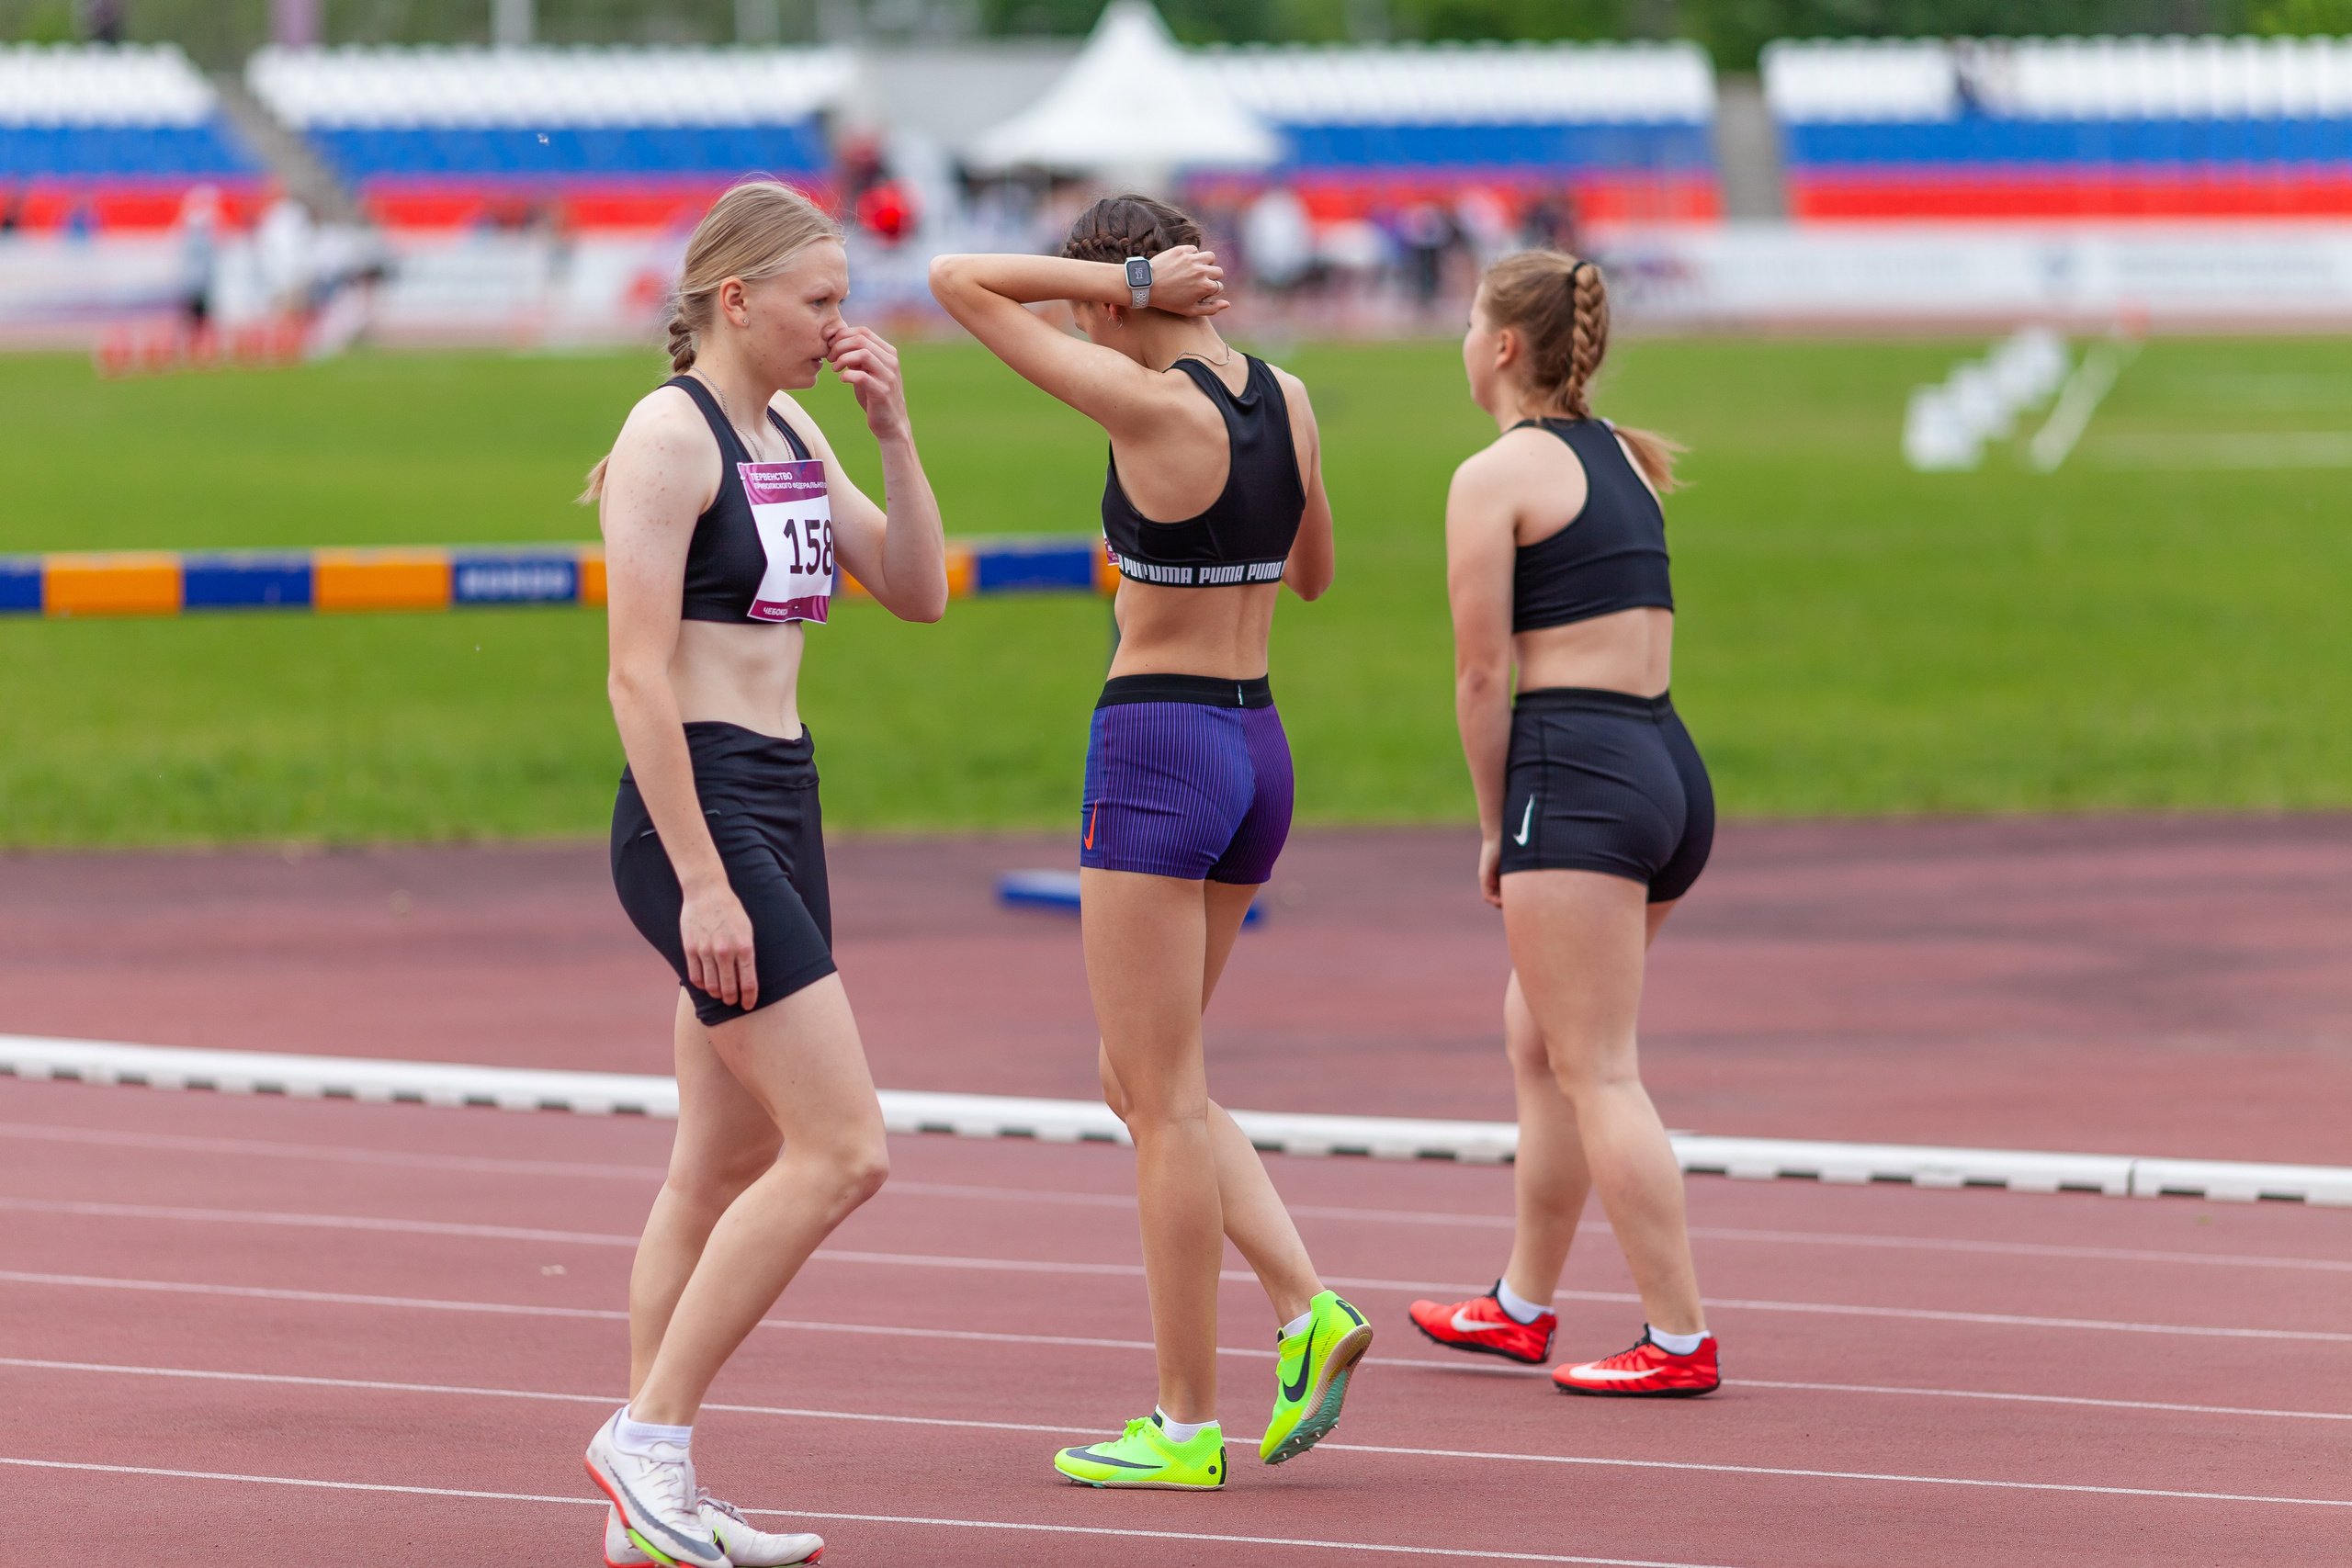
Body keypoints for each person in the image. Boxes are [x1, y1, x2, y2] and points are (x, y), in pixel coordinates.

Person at [930, 196, 1363, 1491]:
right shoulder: (1287, 395)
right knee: (1142, 1076)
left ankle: (1183, 1422)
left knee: (1157, 1099)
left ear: (1118, 294)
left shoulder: (1148, 407)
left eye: (1084, 309)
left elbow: (957, 280)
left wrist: (1112, 278)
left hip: (1158, 747)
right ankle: (1306, 1305)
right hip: (1257, 746)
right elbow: (1317, 572)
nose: (1077, 330)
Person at [579, 179, 948, 1566]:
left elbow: (918, 588)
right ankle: (647, 1440)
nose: (840, 324)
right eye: (820, 301)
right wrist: (702, 881)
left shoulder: (790, 422)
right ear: (737, 299)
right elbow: (633, 674)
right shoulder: (667, 437)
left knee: (715, 1165)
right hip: (702, 811)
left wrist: (895, 434)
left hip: (782, 795)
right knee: (845, 1147)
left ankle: (651, 1499)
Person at [1407, 251, 1720, 1398]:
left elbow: (1482, 677)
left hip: (1578, 772)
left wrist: (1496, 828)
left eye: (1467, 324)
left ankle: (1678, 1337)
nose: (1459, 342)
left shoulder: (1495, 475)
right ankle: (1520, 1305)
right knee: (1541, 1042)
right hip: (1664, 768)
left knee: (1595, 1067)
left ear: (1501, 347)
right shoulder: (1625, 456)